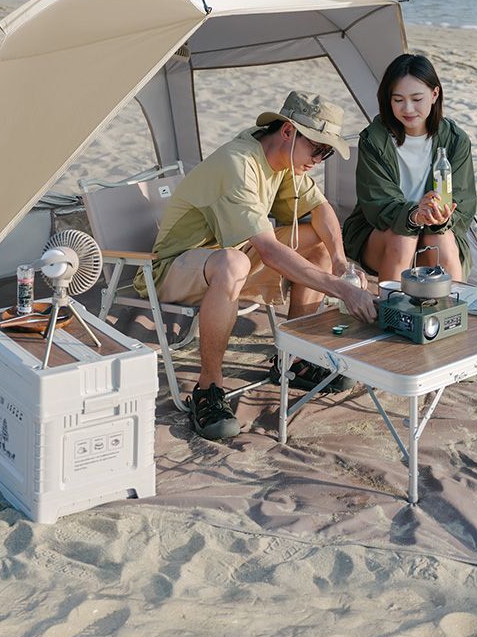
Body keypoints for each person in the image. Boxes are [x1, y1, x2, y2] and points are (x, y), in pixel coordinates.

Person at [134, 91, 377, 440]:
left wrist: (339, 261)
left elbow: (320, 208)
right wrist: (341, 290)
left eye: (326, 152)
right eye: (318, 149)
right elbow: (269, 251)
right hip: (172, 268)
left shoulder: (281, 157)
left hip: (228, 257)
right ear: (288, 131)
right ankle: (208, 388)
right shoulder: (238, 163)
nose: (320, 159)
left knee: (317, 244)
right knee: (233, 262)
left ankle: (293, 360)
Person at [342, 53, 477, 284]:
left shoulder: (455, 140)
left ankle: (452, 305)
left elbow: (463, 203)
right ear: (388, 99)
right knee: (403, 238)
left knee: (440, 239)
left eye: (417, 99)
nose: (408, 108)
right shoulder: (374, 140)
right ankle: (392, 305)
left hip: (435, 235)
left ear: (434, 94)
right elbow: (377, 204)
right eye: (398, 100)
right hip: (380, 234)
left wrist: (439, 217)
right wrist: (414, 215)